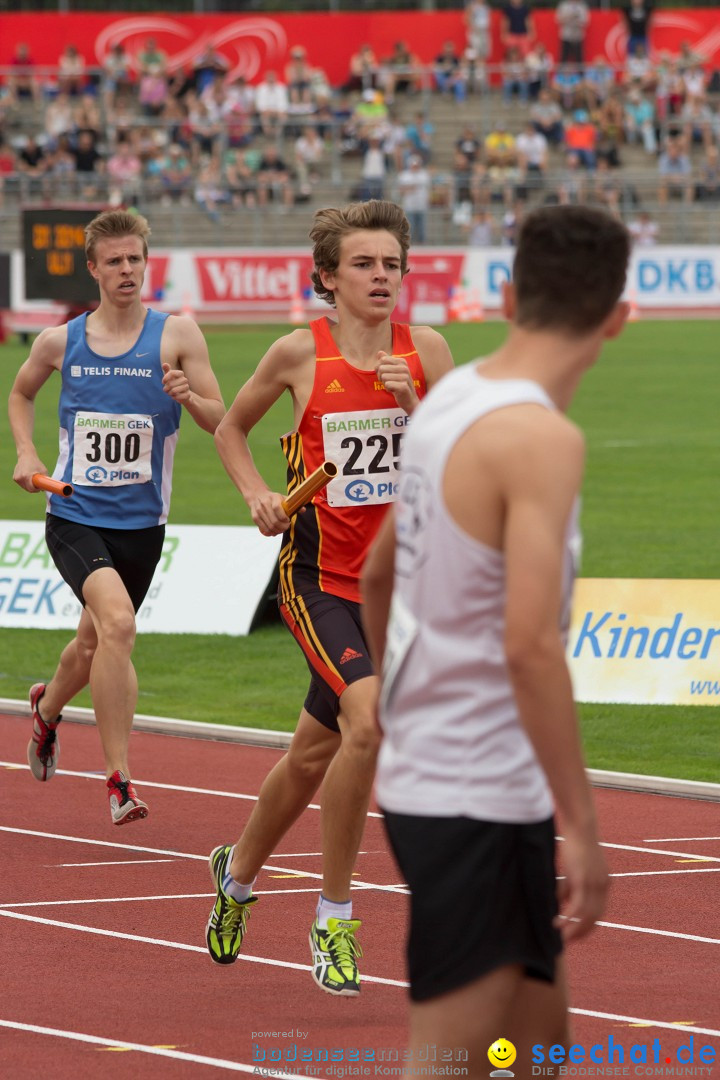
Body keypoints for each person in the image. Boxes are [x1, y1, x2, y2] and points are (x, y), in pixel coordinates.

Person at [361, 204, 630, 1071]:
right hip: (471, 793)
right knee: (451, 1056)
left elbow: (376, 575)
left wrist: (402, 715)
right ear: (620, 317)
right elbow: (530, 646)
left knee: (536, 1044)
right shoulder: (540, 438)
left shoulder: (449, 401)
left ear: (508, 295)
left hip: (453, 779)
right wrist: (584, 827)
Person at [205, 199, 454, 994]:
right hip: (316, 579)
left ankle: (236, 879)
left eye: (392, 264)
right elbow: (230, 429)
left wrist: (414, 405)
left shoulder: (428, 351)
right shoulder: (295, 354)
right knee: (370, 720)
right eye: (364, 265)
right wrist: (255, 496)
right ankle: (334, 919)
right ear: (328, 278)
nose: (382, 277)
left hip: (396, 587)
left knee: (314, 754)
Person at [8, 209, 225, 826]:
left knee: (91, 642)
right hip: (75, 514)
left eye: (135, 259)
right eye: (114, 261)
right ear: (94, 270)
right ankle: (118, 780)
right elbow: (21, 393)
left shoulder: (178, 336)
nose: (126, 269)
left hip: (142, 525)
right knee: (119, 625)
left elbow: (220, 419)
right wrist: (27, 451)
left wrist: (192, 398)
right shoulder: (61, 341)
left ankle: (46, 711)